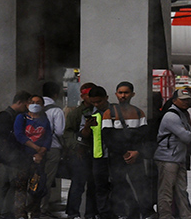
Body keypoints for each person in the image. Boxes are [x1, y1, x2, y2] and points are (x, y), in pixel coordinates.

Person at [103, 82, 152, 219]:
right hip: (117, 157)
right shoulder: (109, 114)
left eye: (126, 92)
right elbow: (108, 138)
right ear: (116, 94)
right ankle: (122, 213)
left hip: (135, 156)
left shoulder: (139, 113)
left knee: (140, 185)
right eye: (120, 92)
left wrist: (137, 152)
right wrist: (124, 153)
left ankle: (145, 212)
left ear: (132, 94)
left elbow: (145, 136)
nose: (123, 95)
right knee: (118, 185)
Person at [0, 91, 32, 219]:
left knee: (8, 184)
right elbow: (3, 138)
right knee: (13, 184)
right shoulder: (6, 116)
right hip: (10, 157)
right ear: (19, 102)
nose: (27, 107)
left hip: (11, 156)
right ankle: (6, 212)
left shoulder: (15, 115)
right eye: (26, 104)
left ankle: (4, 211)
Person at [154, 89, 191, 219]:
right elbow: (187, 137)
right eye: (182, 100)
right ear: (174, 100)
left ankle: (186, 215)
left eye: (188, 100)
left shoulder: (182, 114)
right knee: (166, 191)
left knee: (181, 190)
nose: (186, 102)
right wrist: (189, 134)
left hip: (178, 158)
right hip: (167, 159)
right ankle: (165, 216)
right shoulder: (171, 116)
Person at [13, 95, 54, 219]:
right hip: (23, 157)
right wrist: (36, 148)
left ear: (42, 105)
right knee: (21, 186)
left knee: (38, 186)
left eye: (38, 102)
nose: (35, 104)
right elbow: (19, 135)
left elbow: (48, 137)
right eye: (32, 102)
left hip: (39, 159)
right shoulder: (21, 118)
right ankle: (20, 213)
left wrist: (41, 152)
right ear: (27, 104)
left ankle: (35, 212)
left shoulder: (44, 119)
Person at [64, 83, 97, 219]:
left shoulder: (99, 110)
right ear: (83, 96)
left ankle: (91, 213)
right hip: (80, 153)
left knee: (94, 185)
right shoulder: (76, 113)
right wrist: (76, 146)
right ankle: (73, 213)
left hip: (96, 152)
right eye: (89, 95)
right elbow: (68, 133)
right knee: (78, 184)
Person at [81, 86, 112, 219]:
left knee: (117, 186)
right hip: (97, 156)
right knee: (99, 187)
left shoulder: (115, 111)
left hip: (114, 156)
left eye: (99, 101)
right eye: (93, 102)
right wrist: (87, 126)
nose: (96, 105)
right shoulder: (88, 113)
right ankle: (102, 213)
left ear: (106, 98)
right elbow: (84, 134)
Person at [40, 83, 66, 212]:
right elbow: (60, 132)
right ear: (56, 94)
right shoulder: (56, 110)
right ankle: (42, 208)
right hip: (52, 148)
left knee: (34, 177)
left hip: (34, 149)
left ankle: (30, 206)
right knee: (47, 179)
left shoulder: (34, 108)